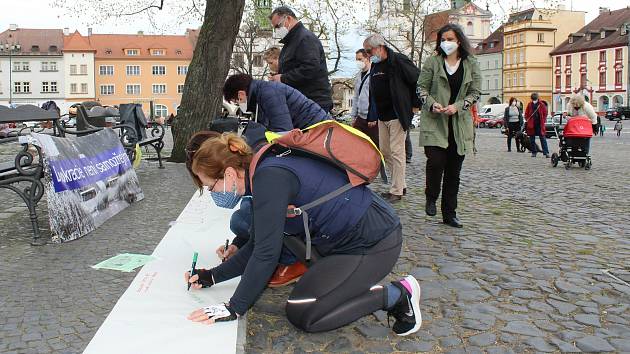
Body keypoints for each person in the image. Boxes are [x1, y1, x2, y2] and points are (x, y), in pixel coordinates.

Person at [184, 133, 423, 336]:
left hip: (375, 242)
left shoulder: (268, 178)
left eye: (211, 186)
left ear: (227, 174)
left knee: (305, 314)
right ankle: (351, 286)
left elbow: (266, 253)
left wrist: (234, 307)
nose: (213, 193)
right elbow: (257, 244)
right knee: (302, 303)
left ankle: (398, 295)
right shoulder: (262, 170)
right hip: (341, 244)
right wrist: (211, 277)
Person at [417, 24, 481, 228]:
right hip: (435, 122)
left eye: (450, 39)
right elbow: (421, 88)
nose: (447, 43)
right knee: (435, 163)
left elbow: (476, 92)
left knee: (454, 172)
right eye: (443, 39)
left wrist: (459, 106)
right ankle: (431, 196)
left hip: (459, 124)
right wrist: (431, 103)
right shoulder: (433, 62)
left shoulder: (471, 63)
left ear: (459, 41)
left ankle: (449, 213)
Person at [363, 33, 420, 203]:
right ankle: (400, 184)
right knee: (386, 152)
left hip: (397, 113)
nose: (367, 55)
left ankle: (397, 191)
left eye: (369, 51)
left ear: (380, 47)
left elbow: (418, 79)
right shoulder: (375, 65)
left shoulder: (398, 61)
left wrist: (415, 104)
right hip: (382, 115)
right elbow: (374, 92)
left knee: (397, 152)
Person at [269, 6, 333, 112]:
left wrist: (283, 78)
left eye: (278, 26)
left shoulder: (305, 38)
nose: (277, 31)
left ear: (288, 19)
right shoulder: (292, 41)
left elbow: (310, 67)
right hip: (303, 101)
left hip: (312, 102)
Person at [223, 73, 329, 132]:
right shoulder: (261, 94)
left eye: (237, 102)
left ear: (241, 94)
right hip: (315, 130)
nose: (240, 106)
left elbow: (283, 131)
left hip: (320, 132)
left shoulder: (268, 93)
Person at [350, 49, 378, 146]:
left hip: (372, 119)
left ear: (367, 58)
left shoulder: (374, 74)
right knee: (357, 144)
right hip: (360, 117)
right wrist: (353, 116)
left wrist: (373, 116)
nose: (358, 62)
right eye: (356, 59)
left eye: (360, 59)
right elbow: (356, 97)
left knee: (375, 145)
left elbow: (376, 97)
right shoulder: (358, 76)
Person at [524, 92, 549, 158]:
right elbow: (526, 113)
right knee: (532, 139)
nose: (534, 101)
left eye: (535, 99)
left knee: (543, 138)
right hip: (532, 124)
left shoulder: (541, 104)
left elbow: (545, 113)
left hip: (540, 124)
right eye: (533, 99)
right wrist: (528, 120)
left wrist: (543, 120)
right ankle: (534, 152)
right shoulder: (529, 105)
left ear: (537, 98)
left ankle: (546, 152)